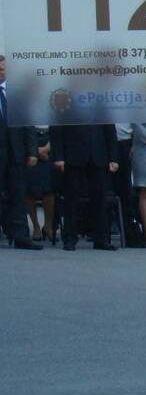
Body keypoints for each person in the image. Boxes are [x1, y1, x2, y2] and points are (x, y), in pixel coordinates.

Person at [50, 124, 120, 251]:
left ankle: (101, 239)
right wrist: (58, 156)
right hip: (72, 153)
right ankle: (70, 238)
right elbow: (57, 127)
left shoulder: (100, 103)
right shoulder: (68, 104)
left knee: (100, 198)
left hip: (99, 153)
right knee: (71, 199)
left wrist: (113, 157)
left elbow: (109, 127)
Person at [0, 54, 42, 250]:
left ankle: (21, 236)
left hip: (16, 153)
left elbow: (28, 124)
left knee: (18, 195)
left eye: (3, 68)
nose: (1, 71)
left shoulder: (17, 93)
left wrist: (32, 152)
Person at [24, 126, 55, 243]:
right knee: (30, 187)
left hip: (49, 137)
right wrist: (35, 151)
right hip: (30, 137)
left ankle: (48, 226)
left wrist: (47, 147)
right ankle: (36, 226)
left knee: (49, 187)